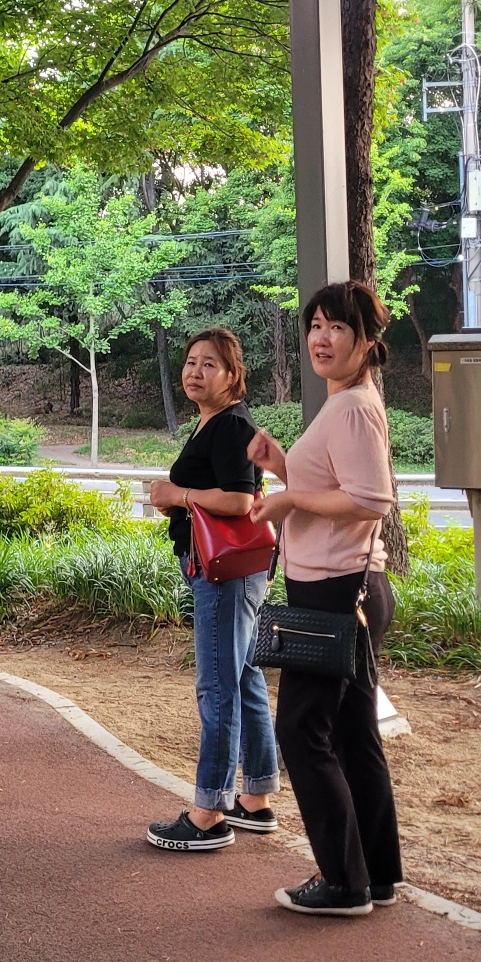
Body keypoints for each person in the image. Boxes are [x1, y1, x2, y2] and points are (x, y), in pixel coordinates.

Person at [248, 281, 402, 915]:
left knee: (301, 730)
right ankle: (377, 873)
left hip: (336, 592)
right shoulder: (347, 402)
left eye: (337, 327)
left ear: (366, 340)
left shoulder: (352, 407)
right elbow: (337, 485)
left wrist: (288, 498)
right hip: (347, 589)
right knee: (351, 731)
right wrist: (284, 465)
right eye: (314, 325)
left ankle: (343, 881)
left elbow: (371, 499)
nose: (321, 337)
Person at [145, 328, 280, 851]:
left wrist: (177, 494)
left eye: (209, 364)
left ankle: (208, 813)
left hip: (224, 574)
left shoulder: (231, 425)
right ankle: (255, 798)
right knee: (242, 677)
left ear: (232, 374)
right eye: (190, 362)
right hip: (228, 570)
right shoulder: (214, 422)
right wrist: (180, 503)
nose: (195, 372)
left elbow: (240, 500)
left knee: (217, 686)